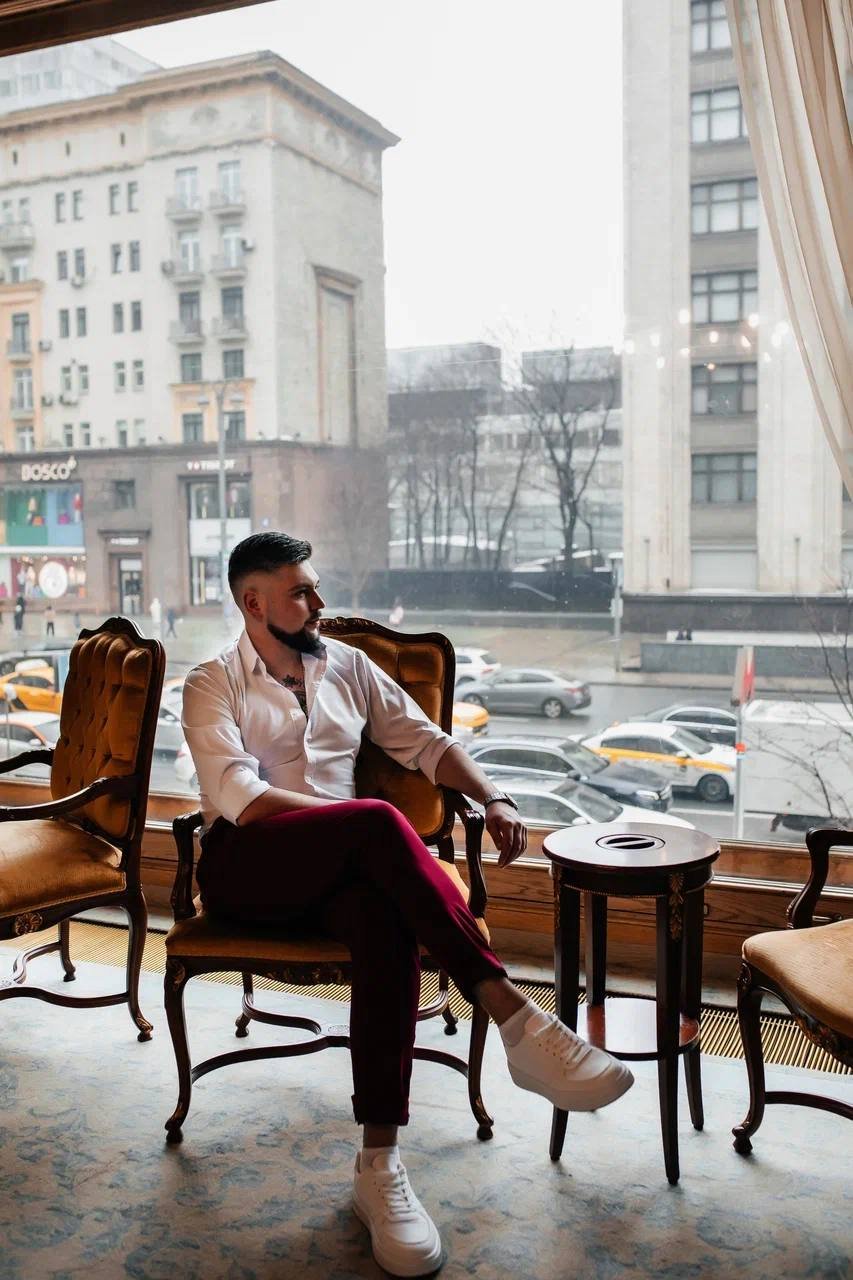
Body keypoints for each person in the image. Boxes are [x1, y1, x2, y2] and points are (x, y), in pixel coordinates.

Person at [182, 532, 633, 1279]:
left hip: (344, 872)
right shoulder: (211, 682)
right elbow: (243, 798)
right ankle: (514, 1015)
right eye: (300, 592)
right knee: (375, 824)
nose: (318, 602)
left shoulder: (348, 667)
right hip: (247, 866)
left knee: (383, 919)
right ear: (253, 602)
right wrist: (357, 823)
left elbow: (426, 744)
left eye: (315, 586)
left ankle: (379, 1166)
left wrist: (494, 796)